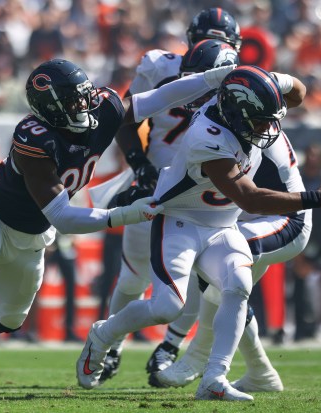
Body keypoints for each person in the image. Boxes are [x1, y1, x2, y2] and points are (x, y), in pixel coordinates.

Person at [0, 58, 236, 397]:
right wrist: (128, 214)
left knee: (9, 319)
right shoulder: (34, 138)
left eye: (84, 96)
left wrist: (212, 79)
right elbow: (63, 216)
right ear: (49, 108)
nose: (84, 106)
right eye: (73, 101)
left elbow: (159, 98)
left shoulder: (101, 108)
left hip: (32, 236)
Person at [76, 65, 321, 401]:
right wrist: (318, 198)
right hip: (179, 222)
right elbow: (249, 197)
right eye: (260, 120)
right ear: (237, 113)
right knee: (167, 307)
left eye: (271, 118)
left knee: (238, 285)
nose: (269, 128)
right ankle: (102, 334)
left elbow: (297, 92)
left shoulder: (246, 96)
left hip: (222, 225)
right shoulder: (208, 136)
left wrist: (277, 82)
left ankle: (214, 377)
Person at [101, 7, 244, 383]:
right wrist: (139, 165)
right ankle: (112, 345)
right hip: (156, 185)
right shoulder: (159, 65)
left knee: (197, 278)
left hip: (205, 193)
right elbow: (126, 119)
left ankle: (170, 346)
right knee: (133, 276)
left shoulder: (239, 81)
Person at [150, 128, 312, 391]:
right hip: (253, 218)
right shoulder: (241, 122)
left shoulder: (246, 129)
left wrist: (319, 199)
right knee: (231, 289)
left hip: (284, 218)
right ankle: (261, 373)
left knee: (219, 261)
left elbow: (251, 198)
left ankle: (197, 357)